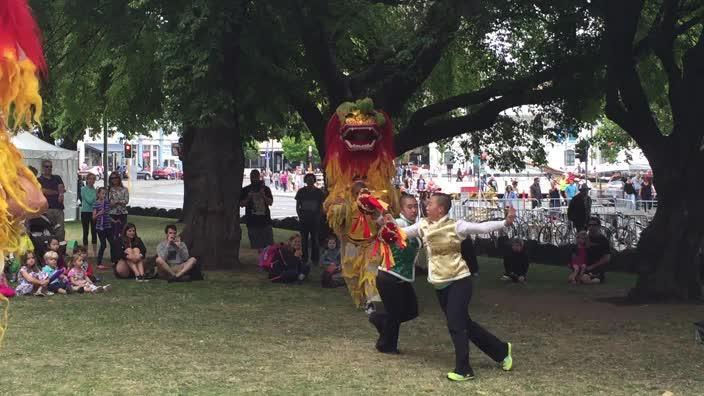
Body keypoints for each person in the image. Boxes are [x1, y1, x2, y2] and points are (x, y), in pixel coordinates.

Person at [396, 193, 515, 380]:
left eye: (430, 203)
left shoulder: (456, 226)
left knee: (455, 324)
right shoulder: (423, 225)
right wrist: (382, 220)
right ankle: (501, 350)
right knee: (464, 323)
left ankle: (464, 369)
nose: (426, 206)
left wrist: (504, 223)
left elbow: (481, 227)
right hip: (440, 284)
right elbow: (401, 232)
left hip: (460, 280)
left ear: (441, 209)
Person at [373, 193, 421, 354]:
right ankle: (387, 346)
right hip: (389, 276)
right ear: (401, 209)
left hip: (402, 277)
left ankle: (379, 319)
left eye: (415, 206)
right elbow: (388, 230)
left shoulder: (413, 224)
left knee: (411, 310)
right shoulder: (399, 223)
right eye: (409, 206)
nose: (414, 210)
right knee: (395, 313)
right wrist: (382, 223)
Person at [240, 169, 274, 253]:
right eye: (252, 176)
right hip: (252, 222)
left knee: (268, 246)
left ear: (259, 177)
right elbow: (241, 204)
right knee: (256, 246)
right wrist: (248, 197)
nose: (254, 178)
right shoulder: (246, 190)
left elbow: (270, 203)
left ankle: (267, 262)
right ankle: (258, 262)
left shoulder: (266, 189)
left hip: (265, 221)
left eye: (256, 176)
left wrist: (263, 196)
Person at [295, 173, 324, 265]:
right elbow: (297, 205)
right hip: (304, 220)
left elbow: (321, 206)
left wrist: (319, 216)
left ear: (314, 181)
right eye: (308, 180)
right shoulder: (301, 191)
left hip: (315, 220)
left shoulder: (319, 192)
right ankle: (304, 259)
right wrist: (299, 215)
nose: (310, 181)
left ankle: (315, 259)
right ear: (305, 181)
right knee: (304, 240)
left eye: (311, 179)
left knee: (315, 240)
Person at [37, 159, 66, 241]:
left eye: (50, 167)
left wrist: (60, 193)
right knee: (48, 231)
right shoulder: (39, 180)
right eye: (46, 166)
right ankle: (49, 250)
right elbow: (43, 191)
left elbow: (61, 187)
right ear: (42, 168)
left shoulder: (57, 177)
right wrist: (58, 192)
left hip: (58, 208)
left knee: (60, 231)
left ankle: (61, 250)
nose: (49, 168)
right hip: (46, 210)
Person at [108, 171, 129, 263]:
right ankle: (114, 258)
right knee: (113, 237)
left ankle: (123, 256)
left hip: (122, 214)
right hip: (112, 214)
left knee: (123, 235)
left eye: (116, 177)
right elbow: (108, 203)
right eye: (112, 178)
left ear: (119, 178)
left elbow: (126, 201)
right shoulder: (109, 190)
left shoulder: (124, 190)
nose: (114, 180)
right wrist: (117, 202)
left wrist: (116, 202)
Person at [582, 217, 611, 284]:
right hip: (585, 265)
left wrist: (592, 266)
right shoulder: (584, 238)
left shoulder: (604, 240)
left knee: (590, 277)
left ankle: (594, 277)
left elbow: (607, 258)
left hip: (597, 265)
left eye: (594, 225)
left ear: (599, 226)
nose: (591, 227)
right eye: (590, 225)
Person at [92, 187, 113, 269]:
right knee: (103, 245)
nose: (103, 195)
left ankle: (114, 261)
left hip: (108, 226)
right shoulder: (96, 204)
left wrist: (113, 221)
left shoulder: (107, 203)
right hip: (100, 228)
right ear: (98, 194)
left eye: (105, 194)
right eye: (102, 193)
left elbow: (107, 214)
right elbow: (93, 217)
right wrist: (99, 213)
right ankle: (99, 263)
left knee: (113, 243)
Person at [80, 173, 98, 250]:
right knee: (85, 231)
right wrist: (96, 194)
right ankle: (85, 250)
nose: (92, 180)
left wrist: (96, 193)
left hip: (94, 212)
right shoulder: (83, 189)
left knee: (94, 231)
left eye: (93, 179)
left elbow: (97, 202)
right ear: (87, 180)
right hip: (85, 212)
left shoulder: (95, 190)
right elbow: (89, 201)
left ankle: (95, 251)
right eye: (90, 178)